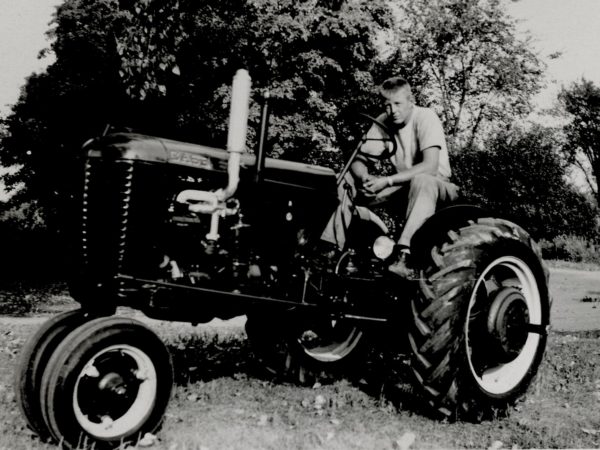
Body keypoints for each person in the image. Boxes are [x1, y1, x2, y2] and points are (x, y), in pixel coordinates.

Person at [321, 76, 458, 277]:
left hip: (437, 185)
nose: (393, 111)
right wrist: (364, 176)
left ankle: (404, 254)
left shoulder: (426, 117)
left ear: (411, 101)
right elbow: (359, 159)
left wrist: (386, 180)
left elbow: (430, 166)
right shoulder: (384, 122)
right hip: (403, 185)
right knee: (346, 180)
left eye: (398, 104)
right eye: (387, 105)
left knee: (422, 180)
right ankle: (330, 248)